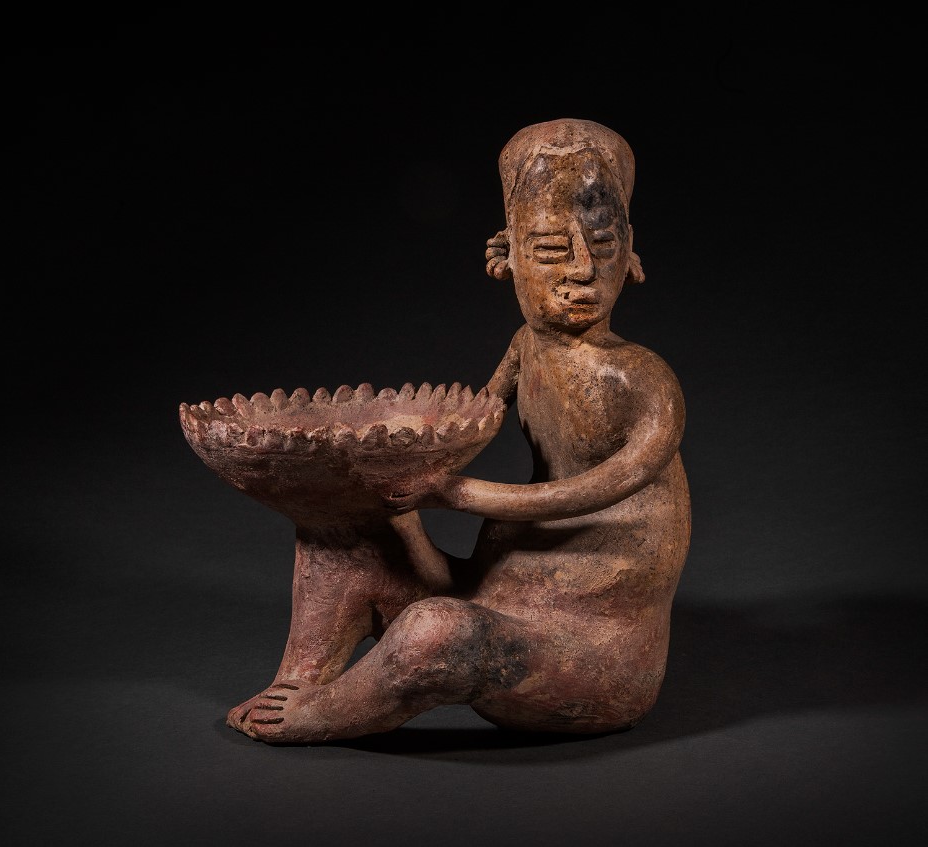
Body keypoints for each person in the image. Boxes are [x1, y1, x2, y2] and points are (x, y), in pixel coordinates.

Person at [228, 118, 691, 742]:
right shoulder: (526, 346)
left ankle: (322, 715)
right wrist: (368, 466)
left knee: (439, 633)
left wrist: (461, 494)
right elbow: (470, 420)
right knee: (348, 531)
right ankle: (299, 681)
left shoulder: (644, 378)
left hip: (585, 658)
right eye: (552, 250)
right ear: (507, 257)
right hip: (494, 601)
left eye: (602, 246)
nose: (581, 271)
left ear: (631, 251)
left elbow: (612, 484)